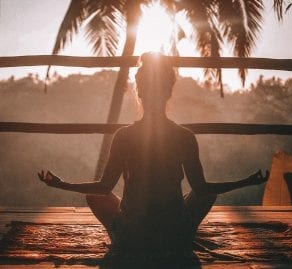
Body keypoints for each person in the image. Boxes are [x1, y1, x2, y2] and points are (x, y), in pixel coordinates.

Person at [38, 53, 268, 254]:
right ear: (168, 93)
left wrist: (62, 184)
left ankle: (119, 237)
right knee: (206, 194)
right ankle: (185, 233)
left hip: (133, 237)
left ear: (139, 92)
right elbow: (202, 189)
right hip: (175, 236)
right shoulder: (184, 136)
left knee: (95, 196)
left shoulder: (124, 135)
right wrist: (246, 182)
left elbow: (103, 187)